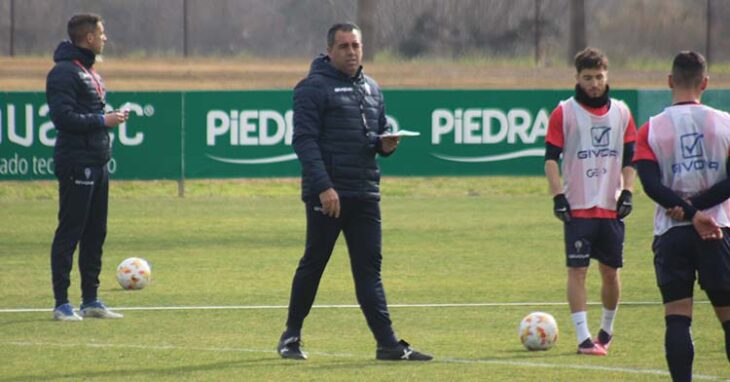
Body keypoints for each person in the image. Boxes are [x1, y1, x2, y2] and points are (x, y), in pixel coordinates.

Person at [276, 22, 431, 361]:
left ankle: (387, 344)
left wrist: (386, 144)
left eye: (356, 46)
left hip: (365, 193)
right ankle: (291, 336)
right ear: (329, 51)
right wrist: (324, 187)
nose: (351, 52)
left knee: (369, 270)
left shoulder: (373, 88)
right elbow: (303, 141)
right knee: (314, 264)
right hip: (328, 196)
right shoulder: (311, 88)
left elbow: (376, 135)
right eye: (344, 46)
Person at [634, 51, 730, 381]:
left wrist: (688, 210)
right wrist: (702, 211)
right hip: (718, 230)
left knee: (677, 316)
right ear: (705, 83)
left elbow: (648, 184)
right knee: (728, 317)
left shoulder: (650, 129)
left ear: (669, 81)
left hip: (672, 232)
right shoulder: (726, 123)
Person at [544, 47, 637, 356]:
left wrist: (628, 191)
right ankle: (583, 338)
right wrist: (558, 196)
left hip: (610, 208)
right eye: (588, 78)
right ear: (577, 78)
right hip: (578, 207)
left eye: (599, 77)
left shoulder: (622, 112)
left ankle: (606, 330)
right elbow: (550, 160)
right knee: (578, 271)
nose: (594, 83)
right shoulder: (564, 111)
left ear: (606, 75)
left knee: (611, 273)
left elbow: (630, 158)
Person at [46, 13, 128, 321]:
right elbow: (62, 118)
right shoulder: (63, 73)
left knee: (96, 232)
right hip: (76, 162)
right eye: (102, 33)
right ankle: (61, 303)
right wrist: (100, 120)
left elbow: (91, 111)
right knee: (71, 231)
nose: (105, 38)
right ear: (89, 38)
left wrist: (108, 115)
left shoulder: (88, 70)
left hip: (98, 161)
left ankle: (91, 300)